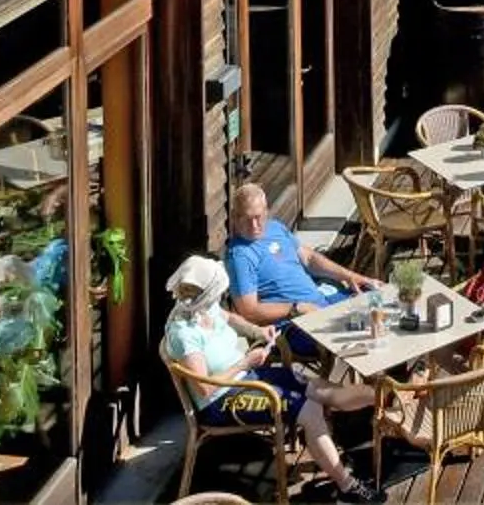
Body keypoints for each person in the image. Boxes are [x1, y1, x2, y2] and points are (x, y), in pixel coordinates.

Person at [162, 255, 378, 502]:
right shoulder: (185, 333)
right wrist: (245, 362)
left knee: (320, 389)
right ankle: (347, 484)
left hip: (247, 376)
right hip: (222, 399)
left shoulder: (204, 306)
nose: (219, 296)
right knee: (310, 409)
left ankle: (384, 398)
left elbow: (229, 317)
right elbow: (205, 389)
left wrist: (258, 331)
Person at [225, 181, 383, 327]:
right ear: (235, 218)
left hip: (322, 300)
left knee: (378, 299)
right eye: (247, 219)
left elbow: (309, 258)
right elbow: (249, 312)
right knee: (360, 327)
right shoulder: (240, 256)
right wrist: (294, 309)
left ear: (266, 212)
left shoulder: (275, 228)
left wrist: (350, 276)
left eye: (258, 217)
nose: (254, 226)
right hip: (296, 323)